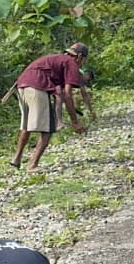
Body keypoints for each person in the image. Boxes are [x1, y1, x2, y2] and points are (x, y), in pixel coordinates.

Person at [8, 43, 93, 172]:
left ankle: (16, 158)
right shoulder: (71, 62)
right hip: (37, 86)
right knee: (48, 129)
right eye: (83, 60)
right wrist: (75, 122)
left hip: (22, 85)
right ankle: (32, 165)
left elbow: (60, 93)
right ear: (79, 57)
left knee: (26, 126)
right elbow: (68, 94)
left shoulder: (58, 59)